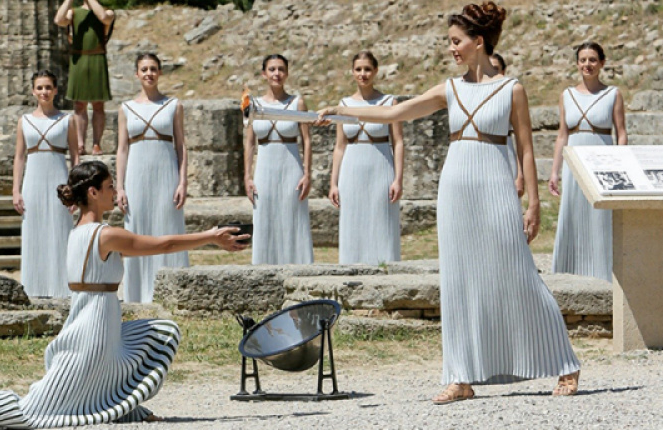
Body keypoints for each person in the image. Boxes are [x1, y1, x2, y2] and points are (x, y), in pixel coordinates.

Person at [317, 1, 580, 403]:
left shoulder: (512, 90)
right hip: (456, 188)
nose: (452, 49)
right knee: (458, 281)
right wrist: (341, 110)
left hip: (496, 186)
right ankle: (461, 376)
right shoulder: (449, 88)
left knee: (519, 273)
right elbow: (396, 113)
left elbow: (526, 149)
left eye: (457, 42)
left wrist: (534, 204)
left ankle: (564, 363)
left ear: (479, 42)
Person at [0, 161, 247, 429]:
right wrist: (211, 236)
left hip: (97, 324)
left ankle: (118, 407)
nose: (114, 192)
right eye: (109, 187)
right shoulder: (105, 235)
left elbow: (151, 248)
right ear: (93, 192)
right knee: (30, 412)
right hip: (92, 331)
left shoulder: (80, 233)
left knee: (157, 333)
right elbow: (163, 245)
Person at [548, 42, 627, 283]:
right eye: (583, 60)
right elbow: (562, 134)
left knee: (600, 217)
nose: (587, 65)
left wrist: (620, 164)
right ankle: (568, 271)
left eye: (593, 60)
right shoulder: (567, 95)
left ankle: (604, 273)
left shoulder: (612, 94)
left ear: (602, 63)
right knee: (573, 212)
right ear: (577, 64)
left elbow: (621, 133)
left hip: (603, 159)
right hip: (574, 160)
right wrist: (554, 172)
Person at [116, 53, 189, 303]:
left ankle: (173, 290)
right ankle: (137, 293)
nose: (149, 73)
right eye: (144, 69)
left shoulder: (174, 105)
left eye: (153, 69)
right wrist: (120, 187)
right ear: (137, 74)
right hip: (136, 175)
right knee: (137, 229)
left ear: (160, 72)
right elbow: (122, 149)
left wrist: (182, 182)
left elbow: (181, 146)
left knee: (167, 225)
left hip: (165, 173)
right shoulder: (126, 108)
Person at [329, 51, 403, 264]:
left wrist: (398, 178)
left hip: (381, 168)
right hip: (352, 170)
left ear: (376, 71)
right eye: (359, 69)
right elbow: (340, 146)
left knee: (382, 222)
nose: (363, 74)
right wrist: (333, 183)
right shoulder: (343, 104)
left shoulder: (389, 101)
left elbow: (398, 142)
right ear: (352, 72)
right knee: (353, 223)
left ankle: (386, 271)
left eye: (367, 69)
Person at [13, 70, 79, 298]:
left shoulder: (67, 120)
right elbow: (20, 156)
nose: (44, 92)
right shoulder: (25, 121)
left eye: (48, 87)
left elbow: (75, 157)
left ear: (56, 90)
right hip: (33, 181)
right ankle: (34, 287)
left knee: (61, 230)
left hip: (59, 180)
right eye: (40, 87)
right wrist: (16, 190)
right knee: (34, 230)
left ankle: (62, 288)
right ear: (33, 91)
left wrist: (76, 190)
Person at [243, 54, 314, 265]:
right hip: (264, 169)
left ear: (287, 73)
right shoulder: (251, 104)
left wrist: (308, 174)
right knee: (265, 217)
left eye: (281, 69)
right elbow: (249, 142)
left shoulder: (297, 103)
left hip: (291, 167)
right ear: (264, 74)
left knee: (293, 218)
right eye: (272, 69)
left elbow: (307, 140)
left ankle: (299, 271)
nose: (277, 74)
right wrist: (247, 177)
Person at [54, 0, 115, 156]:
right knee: (79, 105)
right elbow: (58, 20)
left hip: (97, 58)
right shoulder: (73, 12)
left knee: (98, 105)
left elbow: (103, 16)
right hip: (78, 59)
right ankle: (80, 144)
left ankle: (96, 144)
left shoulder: (108, 12)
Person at [490, 52, 524, 197]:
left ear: (503, 71)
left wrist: (520, 176)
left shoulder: (510, 93)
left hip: (505, 150)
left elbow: (522, 140)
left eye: (496, 69)